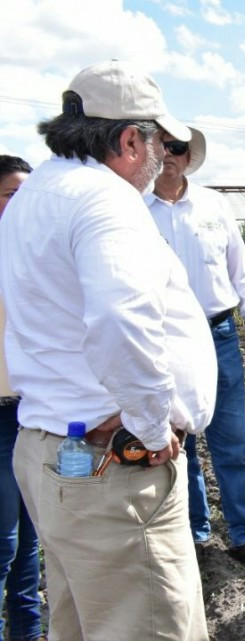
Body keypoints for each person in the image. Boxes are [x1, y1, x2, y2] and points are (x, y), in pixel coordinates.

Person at [0, 60, 214, 641]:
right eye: (160, 143)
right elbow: (120, 320)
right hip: (112, 471)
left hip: (55, 454)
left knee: (81, 623)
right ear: (128, 140)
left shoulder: (33, 195)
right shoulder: (104, 200)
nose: (161, 158)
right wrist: (150, 426)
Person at [146, 126, 245, 567]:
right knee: (179, 441)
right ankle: (194, 534)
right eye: (162, 145)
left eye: (178, 148)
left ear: (188, 157)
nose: (169, 154)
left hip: (217, 333)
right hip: (160, 338)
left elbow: (242, 273)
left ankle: (244, 534)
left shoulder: (213, 205)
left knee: (232, 441)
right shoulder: (132, 208)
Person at [0, 155, 43, 641]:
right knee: (4, 541)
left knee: (34, 538)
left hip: (36, 413)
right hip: (2, 413)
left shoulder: (36, 254)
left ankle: (29, 633)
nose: (22, 205)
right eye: (12, 194)